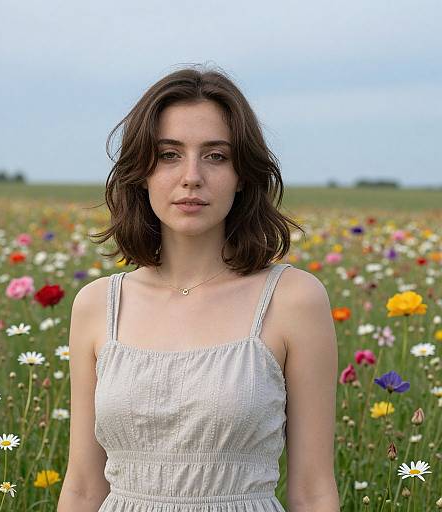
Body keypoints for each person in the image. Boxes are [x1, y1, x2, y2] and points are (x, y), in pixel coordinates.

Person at [57, 64, 340, 512]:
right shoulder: (97, 305)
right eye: (169, 154)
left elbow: (313, 489)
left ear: (243, 174)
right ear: (141, 171)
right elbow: (83, 487)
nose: (192, 176)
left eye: (216, 156)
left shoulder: (293, 300)